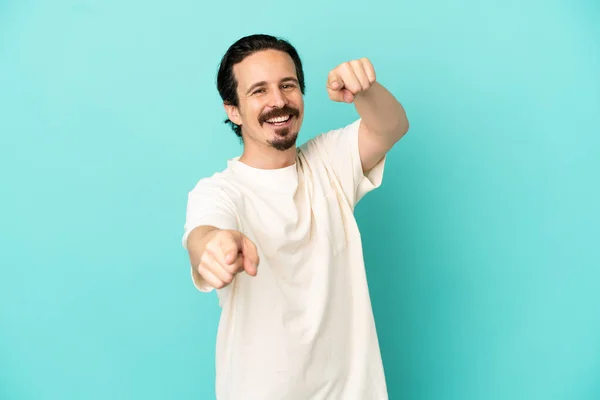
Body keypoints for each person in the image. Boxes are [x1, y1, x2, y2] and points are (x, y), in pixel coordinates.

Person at [182, 34, 409, 400]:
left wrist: (365, 90)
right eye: (259, 91)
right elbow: (203, 234)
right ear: (233, 111)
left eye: (287, 85)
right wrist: (214, 247)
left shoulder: (329, 161)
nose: (278, 101)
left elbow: (391, 127)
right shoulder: (219, 191)